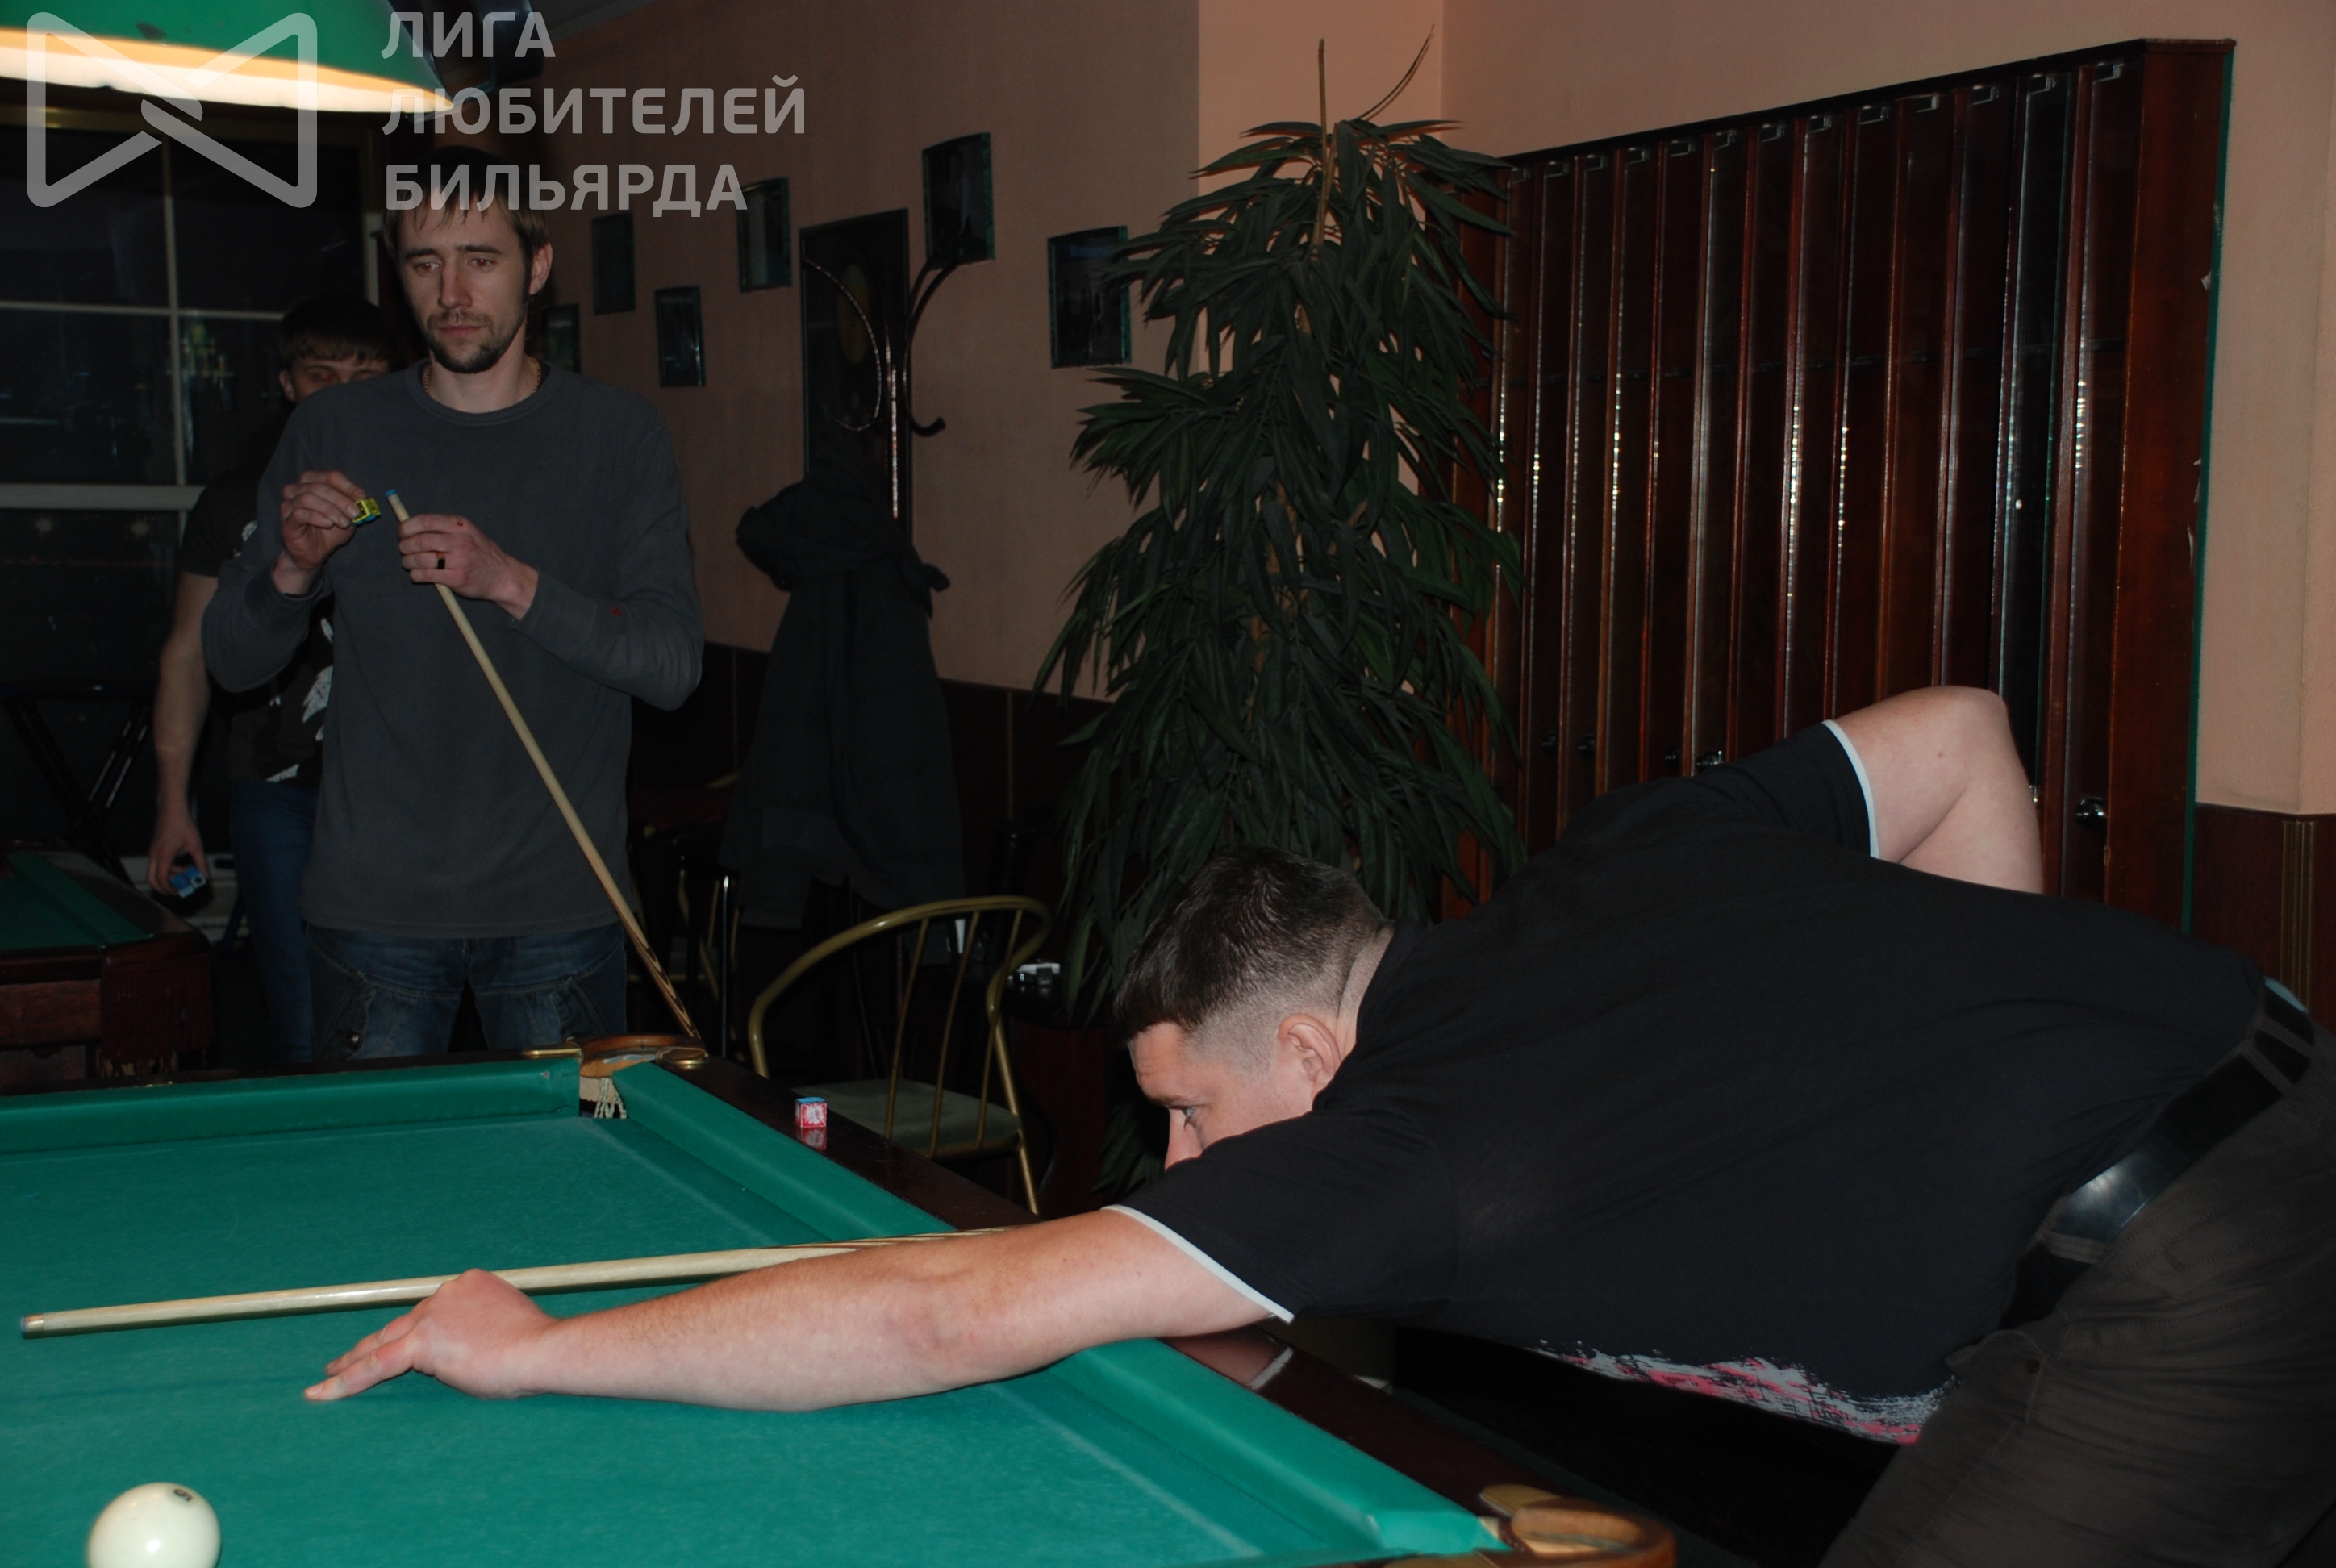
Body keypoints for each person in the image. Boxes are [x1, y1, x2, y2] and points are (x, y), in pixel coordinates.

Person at [302, 687, 2335, 1566]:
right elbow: (1960, 733)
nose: (1191, 1169)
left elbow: (941, 1307)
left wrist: (542, 1345)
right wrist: (1959, 1110)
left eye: (1190, 1113)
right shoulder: (1624, 850)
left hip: (2188, 1264)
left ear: (1301, 1040)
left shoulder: (1395, 1140)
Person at [202, 146, 701, 1057]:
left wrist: (508, 581)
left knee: (566, 1158)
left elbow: (671, 666)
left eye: (481, 259)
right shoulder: (337, 427)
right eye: (425, 263)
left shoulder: (618, 434)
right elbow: (231, 662)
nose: (453, 293)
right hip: (373, 909)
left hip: (561, 903)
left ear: (537, 268)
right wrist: (292, 574)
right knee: (381, 1156)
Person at [148, 296, 398, 1065]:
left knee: (395, 1017)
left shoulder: (417, 494)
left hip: (401, 792)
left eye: (364, 377)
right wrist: (172, 806)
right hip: (275, 784)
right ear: (288, 384)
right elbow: (187, 654)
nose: (342, 394)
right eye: (322, 375)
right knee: (299, 1017)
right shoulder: (236, 499)